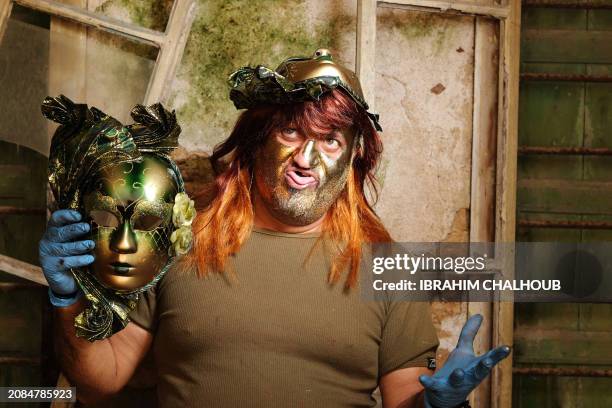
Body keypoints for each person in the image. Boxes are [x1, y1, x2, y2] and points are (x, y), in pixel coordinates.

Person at [39, 49, 510, 407]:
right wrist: (69, 299)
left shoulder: (385, 267)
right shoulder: (178, 241)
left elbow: (405, 397)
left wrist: (436, 402)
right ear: (257, 139)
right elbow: (103, 379)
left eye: (329, 140)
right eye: (291, 133)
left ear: (352, 158)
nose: (306, 159)